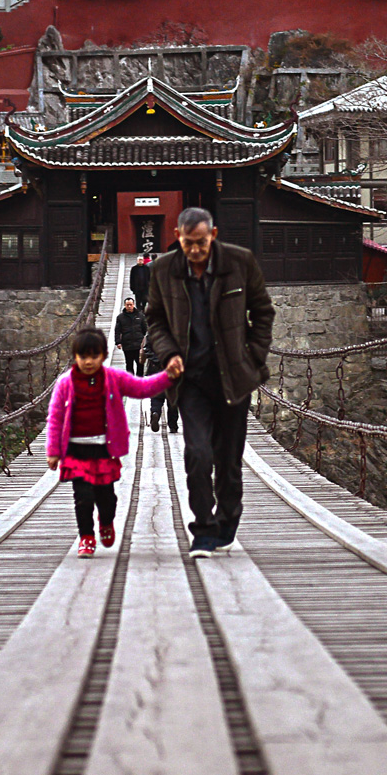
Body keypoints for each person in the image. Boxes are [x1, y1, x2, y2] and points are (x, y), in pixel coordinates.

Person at [144, 206, 275, 558]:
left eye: (201, 242)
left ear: (212, 236)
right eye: (188, 243)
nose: (195, 250)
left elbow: (263, 311)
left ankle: (227, 521)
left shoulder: (239, 262)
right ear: (178, 236)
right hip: (191, 380)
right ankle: (202, 530)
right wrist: (168, 352)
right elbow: (154, 319)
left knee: (228, 460)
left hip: (233, 376)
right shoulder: (163, 270)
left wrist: (254, 356)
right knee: (198, 454)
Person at [45, 327, 174, 558]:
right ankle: (86, 537)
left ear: (103, 356)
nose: (88, 362)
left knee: (107, 498)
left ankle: (106, 522)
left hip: (103, 449)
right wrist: (53, 450)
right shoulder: (66, 383)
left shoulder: (113, 378)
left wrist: (167, 376)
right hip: (76, 450)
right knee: (82, 498)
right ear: (75, 357)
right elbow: (55, 417)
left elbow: (141, 387)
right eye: (83, 357)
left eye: (94, 356)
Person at [113, 297, 145, 370]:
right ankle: (130, 380)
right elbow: (117, 330)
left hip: (139, 344)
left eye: (131, 304)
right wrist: (118, 342)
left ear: (133, 305)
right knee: (129, 364)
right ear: (125, 305)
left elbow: (145, 329)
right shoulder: (120, 317)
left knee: (140, 364)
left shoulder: (140, 316)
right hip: (127, 345)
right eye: (127, 305)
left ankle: (139, 380)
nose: (129, 306)